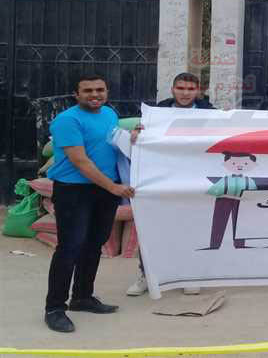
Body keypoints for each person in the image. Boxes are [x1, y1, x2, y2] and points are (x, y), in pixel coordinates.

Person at [44, 74, 135, 333]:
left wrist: (132, 138)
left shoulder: (109, 114)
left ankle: (82, 297)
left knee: (94, 244)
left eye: (100, 90)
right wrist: (113, 187)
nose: (95, 95)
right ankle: (54, 308)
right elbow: (80, 161)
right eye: (88, 91)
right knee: (69, 248)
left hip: (104, 191)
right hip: (74, 191)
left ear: (106, 91)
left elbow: (113, 145)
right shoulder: (67, 120)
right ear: (76, 94)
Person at [127, 72, 214, 297]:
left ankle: (189, 275)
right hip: (161, 180)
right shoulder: (155, 114)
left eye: (190, 89)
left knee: (191, 229)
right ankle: (147, 275)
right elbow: (140, 138)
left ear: (198, 91)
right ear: (173, 89)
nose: (185, 93)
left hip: (195, 181)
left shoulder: (212, 114)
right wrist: (136, 134)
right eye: (181, 88)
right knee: (152, 229)